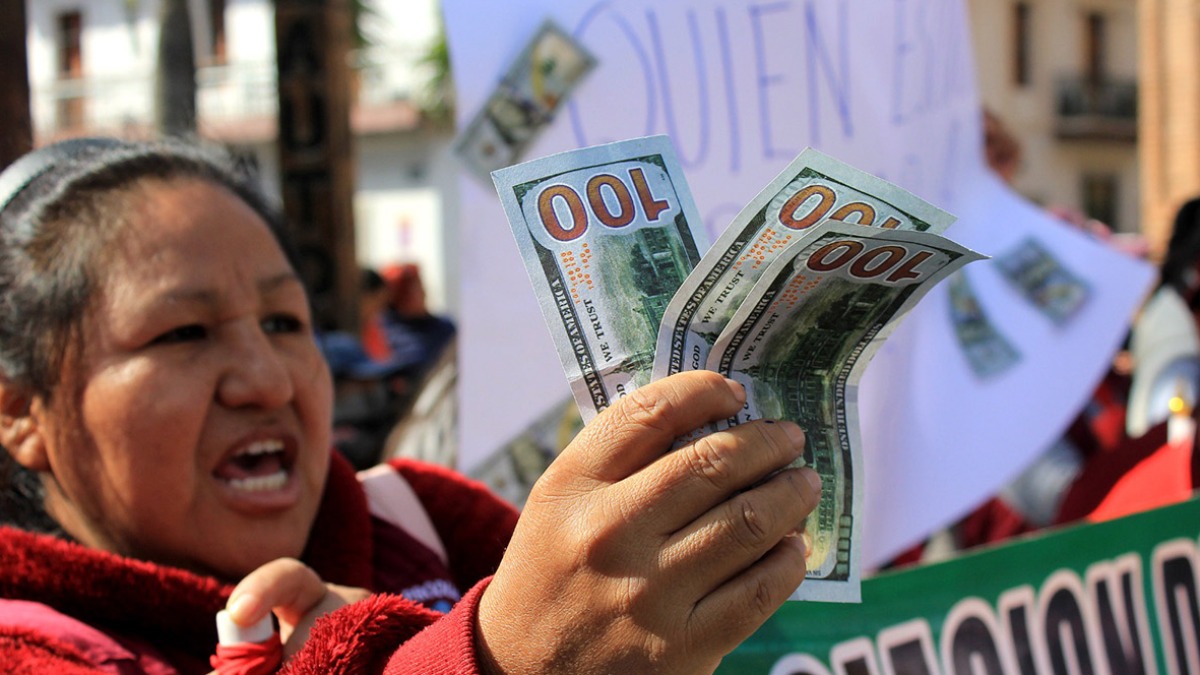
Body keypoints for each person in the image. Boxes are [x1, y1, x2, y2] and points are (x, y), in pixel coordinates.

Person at [0, 136, 823, 674]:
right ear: (19, 412)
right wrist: (497, 657)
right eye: (182, 332)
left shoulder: (423, 516)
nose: (268, 377)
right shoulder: (28, 649)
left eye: (286, 321)